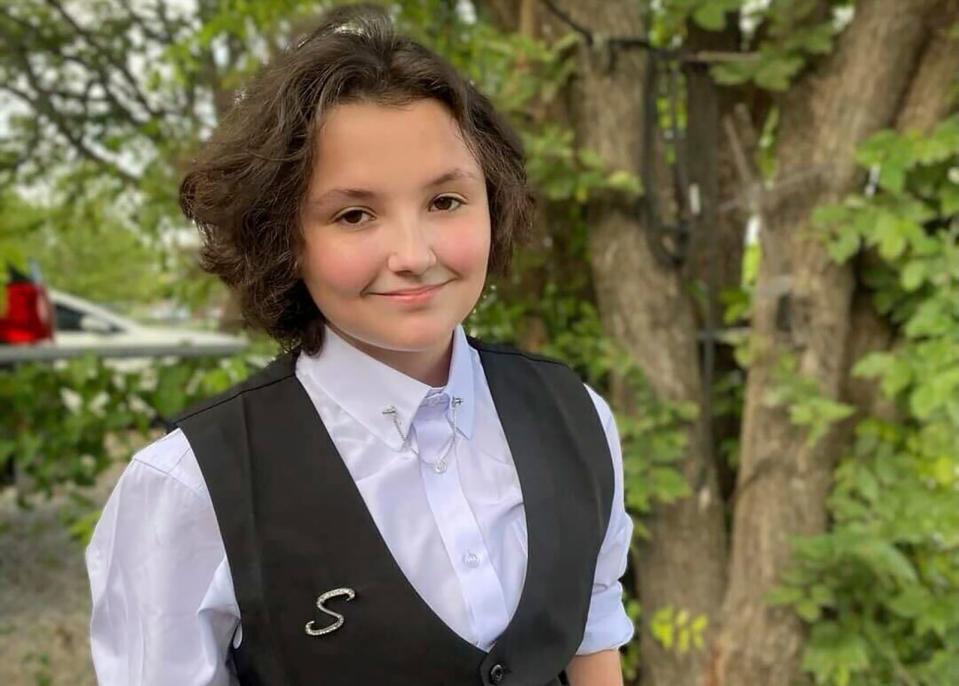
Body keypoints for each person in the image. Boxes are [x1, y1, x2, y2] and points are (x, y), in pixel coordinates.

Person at [85, 4, 634, 685]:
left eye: (445, 202)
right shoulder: (190, 487)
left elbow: (591, 637)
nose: (413, 254)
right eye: (354, 214)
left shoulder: (575, 418)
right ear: (283, 238)